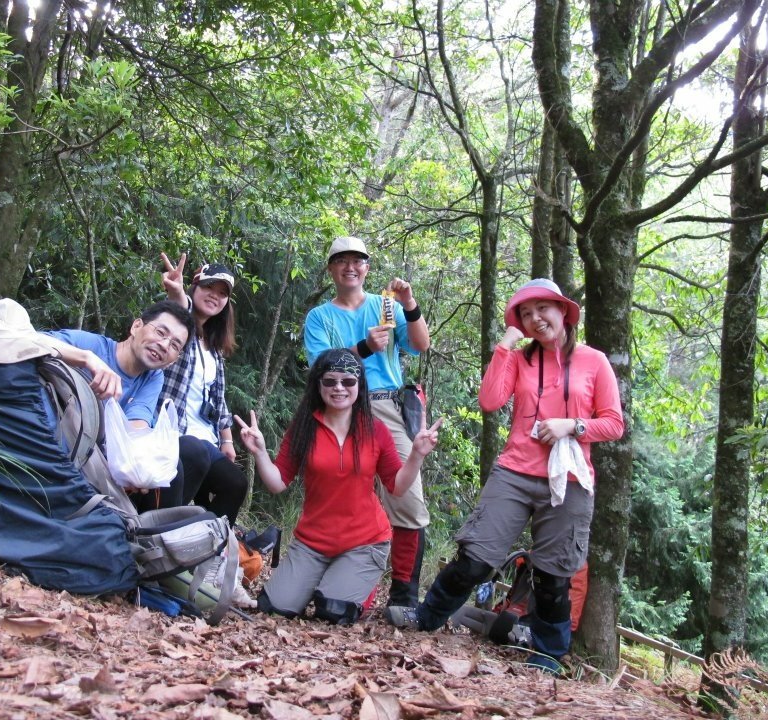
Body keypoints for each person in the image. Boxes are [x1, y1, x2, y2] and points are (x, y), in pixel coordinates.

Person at [386, 278, 624, 673]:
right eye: (525, 314)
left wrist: (573, 426)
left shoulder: (593, 361)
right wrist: (505, 345)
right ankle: (426, 617)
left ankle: (548, 653)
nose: (534, 319)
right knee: (476, 559)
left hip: (569, 479)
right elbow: (490, 401)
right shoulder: (520, 358)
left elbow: (614, 424)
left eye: (542, 310)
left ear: (563, 311)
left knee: (554, 574)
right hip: (514, 472)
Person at [234, 348, 442, 624]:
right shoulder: (304, 427)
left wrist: (416, 454)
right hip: (312, 542)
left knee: (332, 612)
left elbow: (397, 486)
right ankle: (318, 581)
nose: (339, 388)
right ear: (318, 385)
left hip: (364, 542)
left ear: (360, 385)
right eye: (330, 381)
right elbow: (278, 483)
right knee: (274, 608)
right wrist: (259, 452)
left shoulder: (375, 429)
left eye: (348, 381)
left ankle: (350, 585)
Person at [303, 236, 431, 609]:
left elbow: (420, 345)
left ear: (367, 268)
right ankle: (346, 587)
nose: (350, 267)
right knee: (343, 498)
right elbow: (320, 368)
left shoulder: (383, 305)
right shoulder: (320, 317)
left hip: (386, 405)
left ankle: (404, 596)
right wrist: (364, 348)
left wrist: (409, 304)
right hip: (340, 408)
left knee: (406, 497)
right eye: (341, 261)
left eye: (357, 261)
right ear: (331, 269)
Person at [43, 299, 196, 511]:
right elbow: (28, 340)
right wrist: (87, 359)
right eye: (161, 332)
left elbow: (137, 424)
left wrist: (137, 463)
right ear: (136, 326)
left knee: (176, 466)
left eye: (174, 345)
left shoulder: (152, 377)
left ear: (173, 359)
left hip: (94, 465)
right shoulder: (93, 347)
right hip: (56, 445)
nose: (164, 345)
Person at [157, 253, 248, 526]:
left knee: (235, 484)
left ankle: (204, 546)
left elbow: (218, 401)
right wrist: (177, 294)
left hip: (205, 438)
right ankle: (161, 536)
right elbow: (180, 310)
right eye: (208, 287)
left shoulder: (215, 348)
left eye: (222, 293)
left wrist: (227, 440)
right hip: (174, 434)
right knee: (193, 456)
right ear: (194, 287)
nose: (214, 296)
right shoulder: (177, 328)